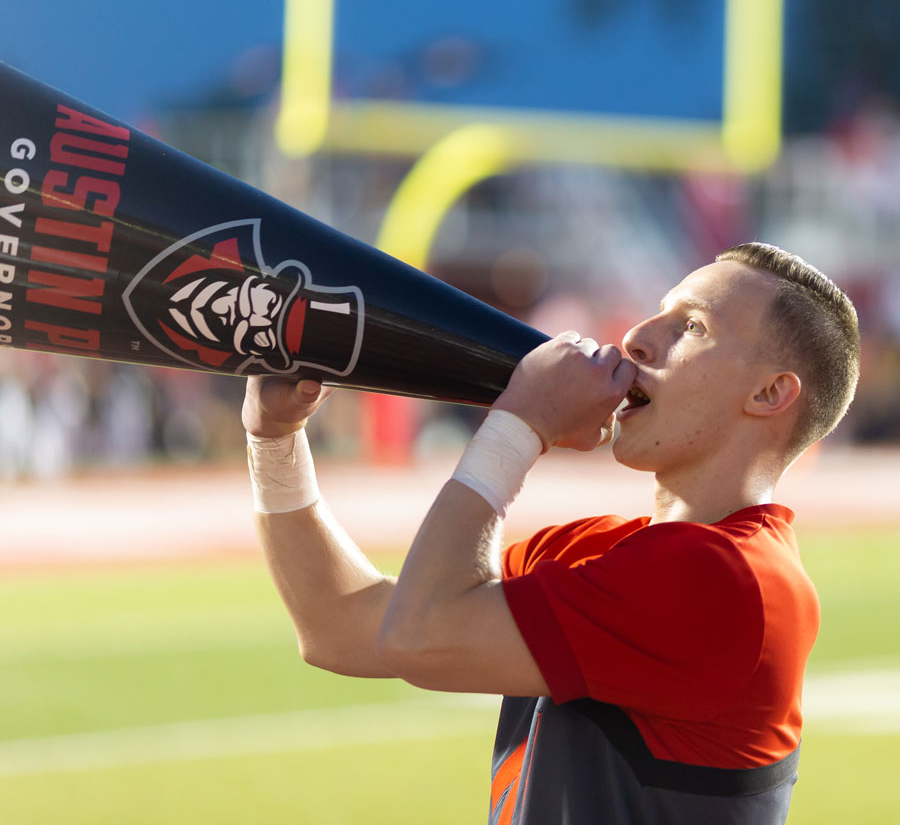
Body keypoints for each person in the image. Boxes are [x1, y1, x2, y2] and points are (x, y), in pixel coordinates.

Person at [241, 242, 859, 825]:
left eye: (692, 326)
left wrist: (522, 423)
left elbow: (418, 634)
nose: (638, 338)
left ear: (770, 392)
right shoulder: (602, 549)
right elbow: (340, 631)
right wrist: (275, 442)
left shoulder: (726, 577)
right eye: (658, 313)